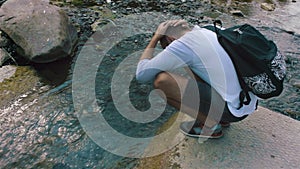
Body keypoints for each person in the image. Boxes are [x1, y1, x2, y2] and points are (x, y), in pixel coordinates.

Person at [135, 20, 258, 138]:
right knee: (190, 64)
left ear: (170, 39)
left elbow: (142, 74)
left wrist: (155, 37)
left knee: (161, 81)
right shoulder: (210, 28)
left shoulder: (183, 45)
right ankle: (220, 118)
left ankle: (210, 126)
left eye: (167, 47)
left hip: (232, 110)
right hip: (247, 102)